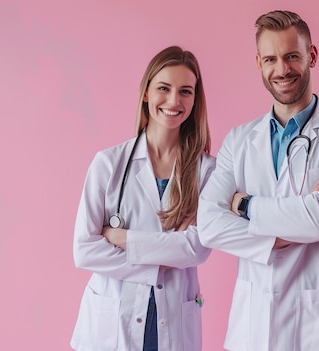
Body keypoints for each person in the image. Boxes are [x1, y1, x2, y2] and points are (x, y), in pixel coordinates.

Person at [197, 10, 319, 351]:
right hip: (252, 329)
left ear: (312, 56)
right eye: (271, 58)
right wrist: (285, 230)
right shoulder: (239, 140)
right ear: (258, 62)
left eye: (292, 56)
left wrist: (244, 205)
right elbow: (209, 225)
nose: (282, 69)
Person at [71, 46, 215, 351]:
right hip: (112, 325)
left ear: (194, 99)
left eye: (185, 91)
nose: (174, 101)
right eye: (164, 88)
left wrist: (123, 238)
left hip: (174, 323)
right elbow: (85, 251)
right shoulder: (109, 164)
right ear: (147, 93)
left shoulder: (207, 171)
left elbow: (196, 249)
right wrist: (160, 264)